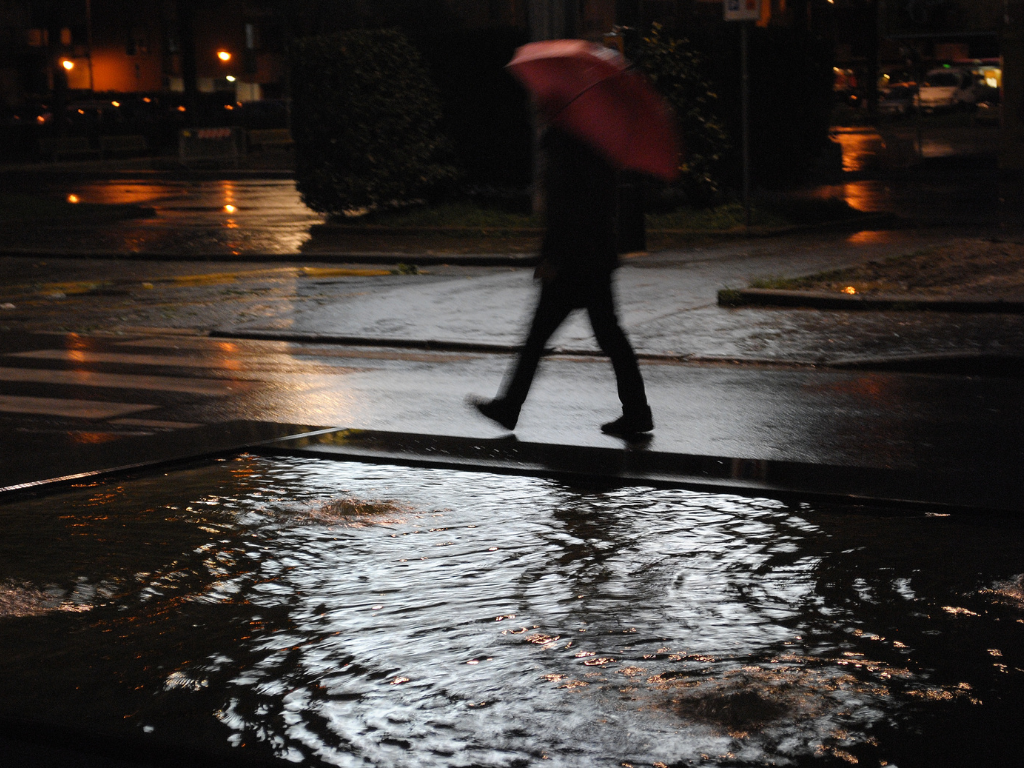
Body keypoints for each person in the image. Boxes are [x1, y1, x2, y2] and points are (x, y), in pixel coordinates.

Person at [470, 125, 652, 437]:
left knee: (539, 338)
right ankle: (637, 412)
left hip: (573, 262)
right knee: (609, 338)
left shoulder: (570, 144)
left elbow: (568, 209)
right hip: (593, 259)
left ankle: (510, 406)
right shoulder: (596, 142)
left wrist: (550, 256)